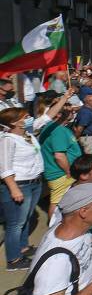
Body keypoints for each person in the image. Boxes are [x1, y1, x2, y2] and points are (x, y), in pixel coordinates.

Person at [0, 106, 45, 270]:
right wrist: (14, 189)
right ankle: (13, 260)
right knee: (15, 224)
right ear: (13, 122)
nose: (29, 118)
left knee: (26, 218)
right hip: (20, 185)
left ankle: (23, 247)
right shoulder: (7, 140)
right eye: (25, 117)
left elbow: (46, 118)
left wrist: (64, 98)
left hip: (34, 183)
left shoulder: (27, 135)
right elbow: (4, 168)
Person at [39, 101, 82, 218]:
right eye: (69, 110)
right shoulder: (58, 130)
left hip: (60, 172)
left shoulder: (58, 128)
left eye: (72, 110)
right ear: (58, 114)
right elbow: (59, 155)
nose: (72, 111)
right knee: (57, 202)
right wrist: (68, 171)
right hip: (61, 173)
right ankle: (53, 226)